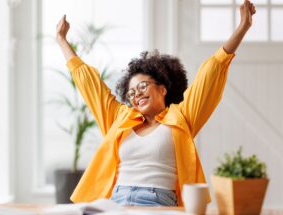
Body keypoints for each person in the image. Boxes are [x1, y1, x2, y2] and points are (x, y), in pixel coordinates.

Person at [56, 0, 256, 207]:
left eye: (143, 86)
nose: (136, 94)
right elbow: (89, 85)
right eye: (131, 92)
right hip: (117, 200)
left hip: (158, 201)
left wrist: (243, 27)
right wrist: (62, 40)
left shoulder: (182, 117)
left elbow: (212, 71)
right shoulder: (121, 119)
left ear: (163, 88)